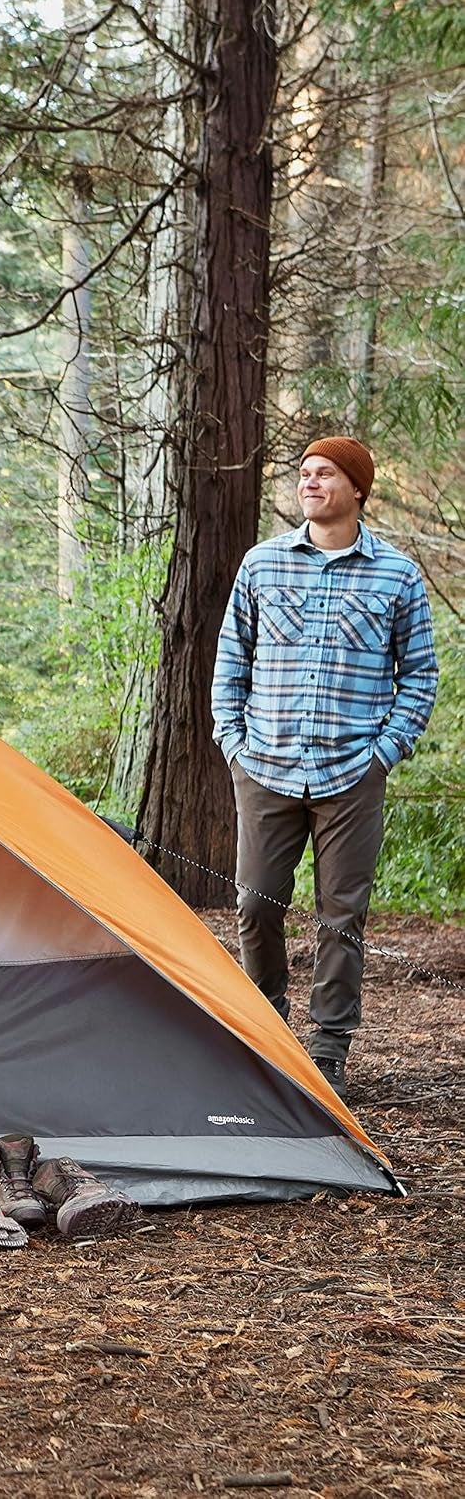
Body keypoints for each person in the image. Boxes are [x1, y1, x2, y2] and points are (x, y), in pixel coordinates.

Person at [211, 436, 438, 1102]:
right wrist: (234, 742)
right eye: (305, 473)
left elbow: (419, 678)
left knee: (342, 917)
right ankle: (267, 1034)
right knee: (256, 906)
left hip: (351, 776)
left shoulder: (395, 575)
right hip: (266, 768)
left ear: (357, 488)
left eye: (326, 473)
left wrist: (382, 755)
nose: (310, 482)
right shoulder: (263, 564)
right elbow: (232, 662)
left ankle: (329, 1048)